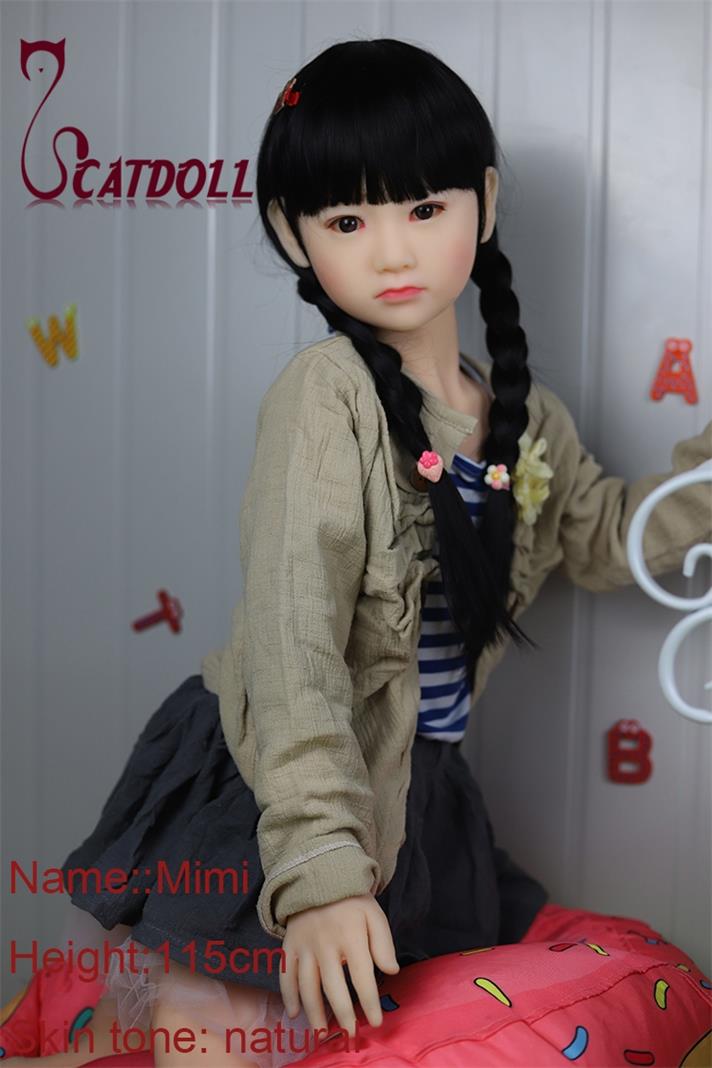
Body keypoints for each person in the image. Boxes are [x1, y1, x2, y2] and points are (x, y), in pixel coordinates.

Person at [7, 36, 710, 1068]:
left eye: (424, 209)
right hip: (283, 778)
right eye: (347, 221)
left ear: (484, 202)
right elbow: (292, 647)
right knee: (211, 1037)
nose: (392, 253)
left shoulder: (529, 423)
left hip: (415, 789)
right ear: (292, 236)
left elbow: (609, 537)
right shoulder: (326, 398)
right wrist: (321, 870)